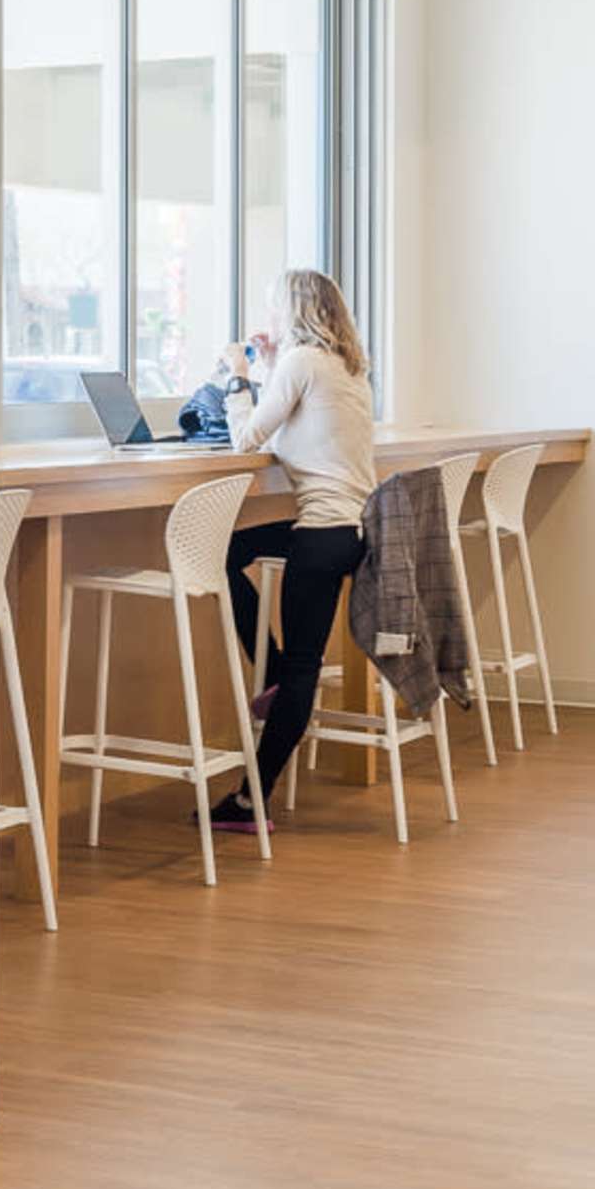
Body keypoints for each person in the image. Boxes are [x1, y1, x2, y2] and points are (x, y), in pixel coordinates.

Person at [205, 268, 378, 838]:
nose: (270, 320)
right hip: (345, 530)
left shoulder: (303, 363)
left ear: (294, 312)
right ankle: (273, 673)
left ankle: (252, 800)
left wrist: (236, 376)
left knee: (304, 668)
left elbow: (245, 440)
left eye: (274, 309)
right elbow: (291, 435)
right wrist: (265, 368)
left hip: (321, 533)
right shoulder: (347, 368)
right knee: (227, 551)